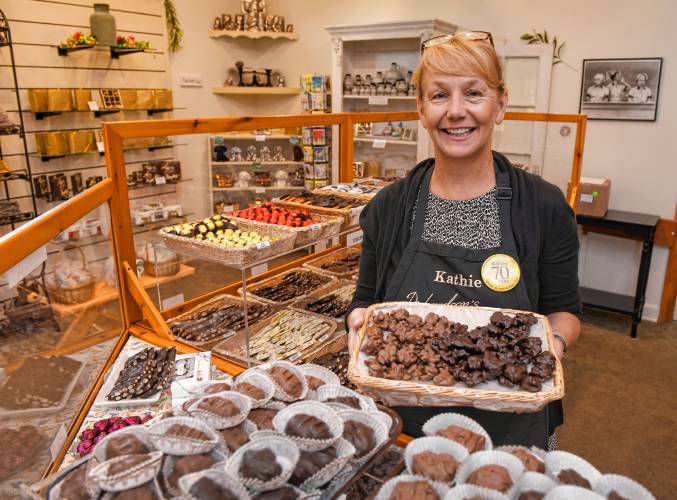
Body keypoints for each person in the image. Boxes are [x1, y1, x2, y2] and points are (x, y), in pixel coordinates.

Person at [346, 31, 581, 450]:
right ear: (420, 109)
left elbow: (564, 312)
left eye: (474, 93)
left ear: (501, 104)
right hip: (403, 420)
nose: (456, 111)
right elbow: (365, 301)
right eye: (439, 96)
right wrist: (359, 326)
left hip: (509, 425)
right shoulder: (389, 207)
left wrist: (543, 353)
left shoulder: (543, 207)